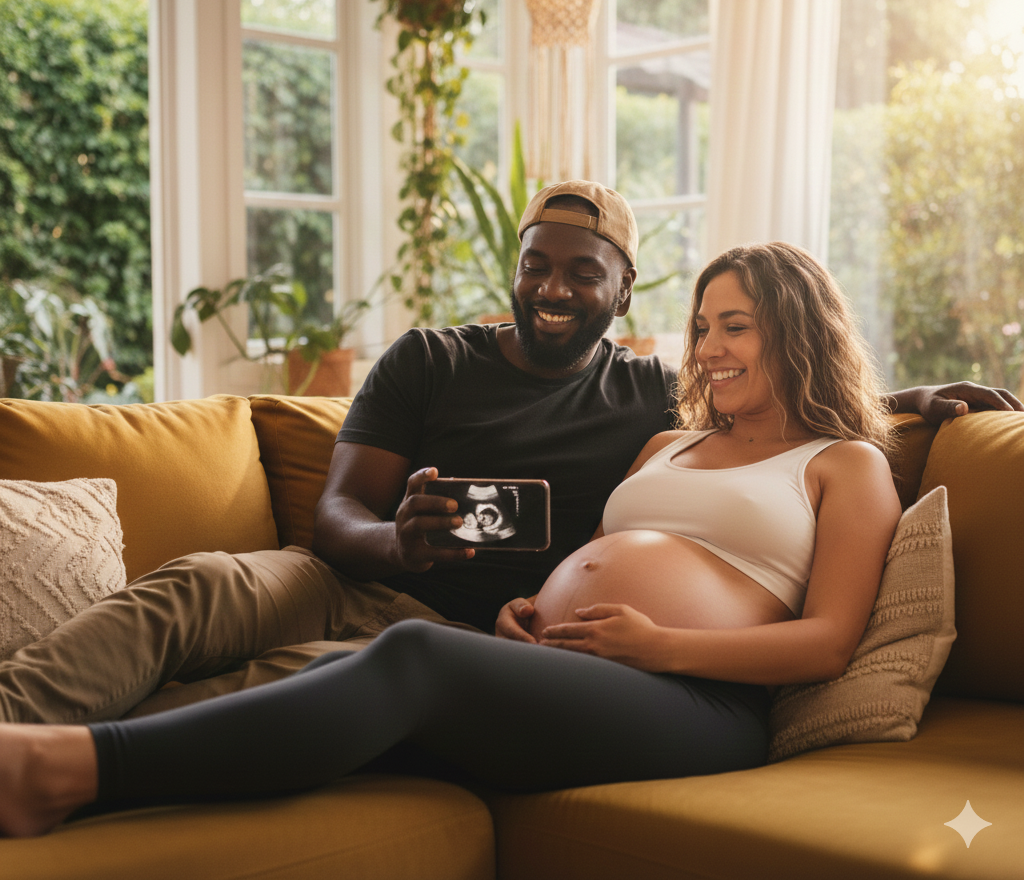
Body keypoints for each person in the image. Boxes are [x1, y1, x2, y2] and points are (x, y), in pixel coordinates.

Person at [0, 183, 1019, 729]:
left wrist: (908, 404)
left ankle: (83, 752)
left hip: (478, 637)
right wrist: (396, 542)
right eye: (536, 264)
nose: (553, 288)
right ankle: (18, 718)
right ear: (516, 266)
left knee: (292, 680)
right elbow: (334, 516)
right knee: (197, 589)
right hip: (349, 579)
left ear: (623, 291)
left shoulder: (648, 392)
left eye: (583, 272)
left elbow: (776, 399)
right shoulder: (428, 359)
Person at [0, 240, 929, 835]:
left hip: (699, 701)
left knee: (415, 657)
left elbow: (828, 642)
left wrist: (661, 644)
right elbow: (596, 557)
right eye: (701, 327)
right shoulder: (667, 441)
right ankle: (44, 736)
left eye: (737, 327)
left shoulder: (844, 464)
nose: (710, 347)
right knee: (330, 665)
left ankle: (71, 771)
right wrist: (529, 609)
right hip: (569, 668)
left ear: (797, 333)